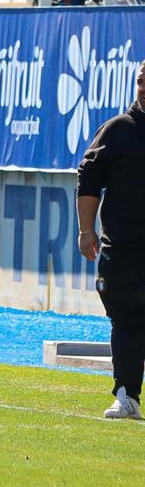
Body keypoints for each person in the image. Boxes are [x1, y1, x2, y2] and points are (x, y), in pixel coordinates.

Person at [77, 60, 145, 420]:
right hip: (125, 245)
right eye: (141, 81)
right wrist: (86, 230)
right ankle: (127, 394)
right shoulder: (118, 129)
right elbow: (88, 179)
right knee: (127, 318)